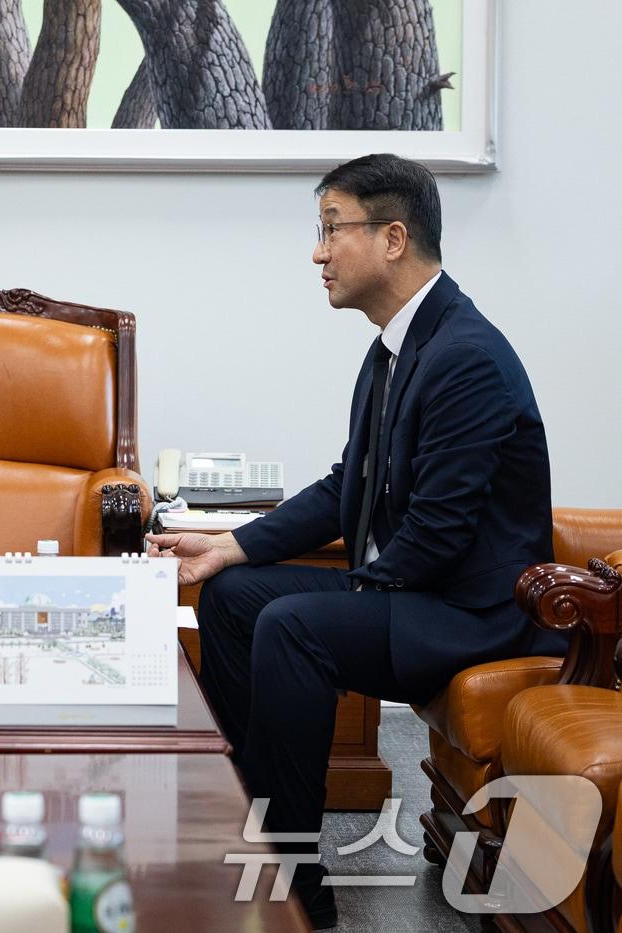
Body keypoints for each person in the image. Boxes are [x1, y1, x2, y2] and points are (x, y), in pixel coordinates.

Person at [146, 153, 563, 929]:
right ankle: (255, 809)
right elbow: (349, 488)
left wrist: (340, 594)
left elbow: (436, 539)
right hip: (421, 589)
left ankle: (300, 884)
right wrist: (228, 545)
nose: (318, 251)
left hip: (469, 611)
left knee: (295, 623)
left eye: (332, 229)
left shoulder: (464, 357)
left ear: (393, 238)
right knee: (234, 597)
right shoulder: (394, 348)